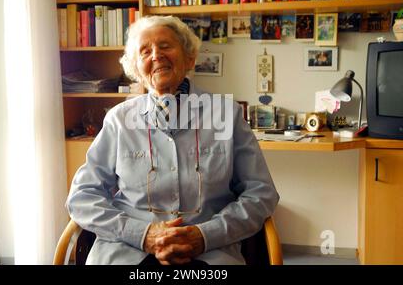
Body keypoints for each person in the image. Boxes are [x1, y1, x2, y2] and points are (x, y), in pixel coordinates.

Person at [66, 15, 279, 265]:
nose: (156, 55)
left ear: (189, 58)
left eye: (165, 46)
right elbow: (82, 197)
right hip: (128, 251)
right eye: (145, 51)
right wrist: (144, 235)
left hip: (210, 251)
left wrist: (204, 235)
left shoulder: (226, 114)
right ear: (137, 69)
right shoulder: (119, 119)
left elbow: (261, 193)